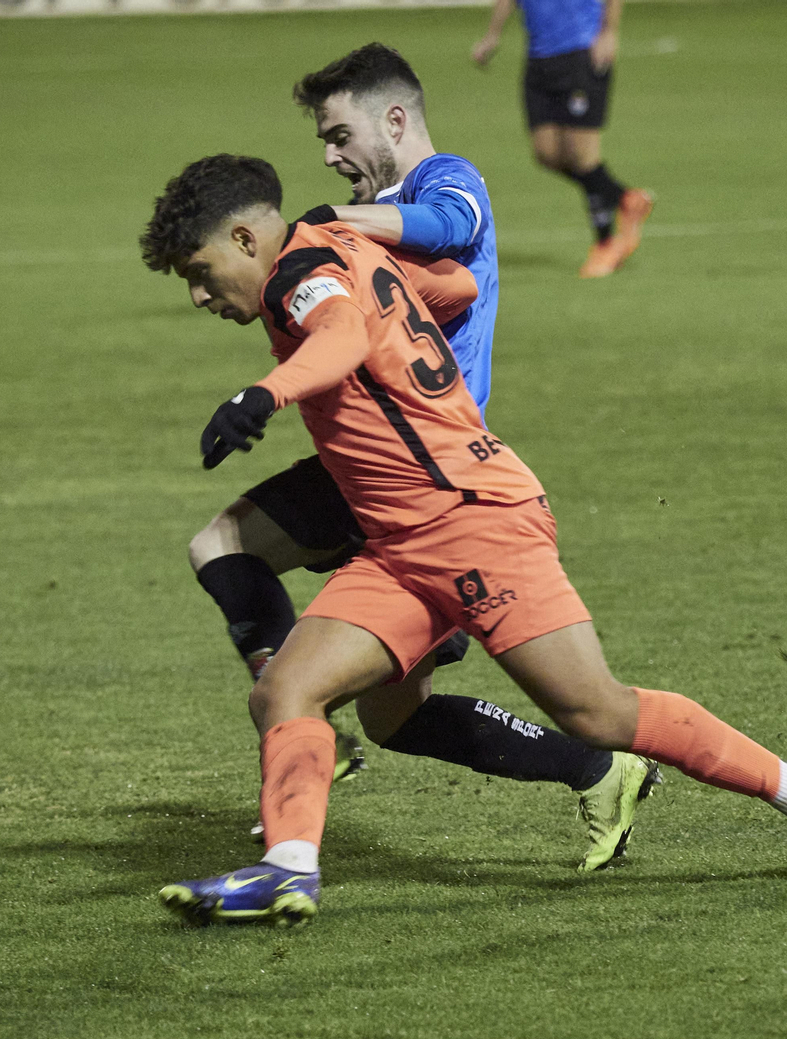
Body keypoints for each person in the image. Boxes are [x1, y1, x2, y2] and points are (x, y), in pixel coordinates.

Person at [140, 155, 787, 925]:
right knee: (287, 690)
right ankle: (287, 868)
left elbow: (339, 331)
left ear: (243, 235)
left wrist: (264, 392)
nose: (198, 295)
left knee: (598, 713)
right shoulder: (338, 248)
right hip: (400, 545)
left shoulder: (302, 277)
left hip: (475, 523)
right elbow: (454, 288)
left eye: (201, 270)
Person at [183, 45, 659, 872]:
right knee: (394, 717)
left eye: (339, 134)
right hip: (380, 471)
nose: (329, 157)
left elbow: (454, 230)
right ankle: (598, 769)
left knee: (227, 548)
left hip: (434, 478)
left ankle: (302, 728)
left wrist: (327, 225)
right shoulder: (355, 226)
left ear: (393, 120)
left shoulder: (447, 181)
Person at [472, 0, 653, 277]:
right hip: (539, 59)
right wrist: (492, 35)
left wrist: (609, 32)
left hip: (581, 53)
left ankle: (605, 244)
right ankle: (626, 199)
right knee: (546, 154)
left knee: (583, 156)